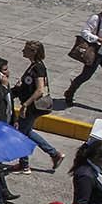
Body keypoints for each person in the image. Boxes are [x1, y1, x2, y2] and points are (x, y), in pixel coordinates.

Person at [64, 0, 102, 112]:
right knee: (85, 76)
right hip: (96, 53)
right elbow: (84, 32)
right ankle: (70, 92)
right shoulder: (96, 18)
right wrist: (97, 39)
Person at [11, 40, 62, 168]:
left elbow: (40, 90)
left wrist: (26, 105)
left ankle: (24, 164)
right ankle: (54, 154)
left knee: (21, 134)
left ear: (33, 52)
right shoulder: (34, 65)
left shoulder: (38, 67)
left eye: (26, 49)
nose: (23, 51)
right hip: (29, 106)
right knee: (26, 132)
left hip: (32, 107)